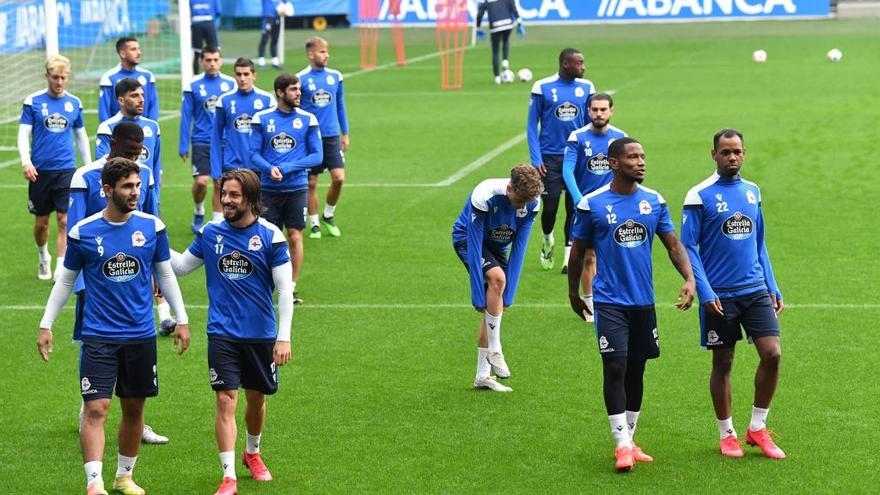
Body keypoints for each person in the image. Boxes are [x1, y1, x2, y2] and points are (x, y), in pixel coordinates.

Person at [37, 158, 190, 495]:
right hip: (99, 335)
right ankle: (94, 483)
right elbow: (65, 281)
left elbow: (164, 274)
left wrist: (182, 318)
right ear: (107, 190)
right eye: (127, 186)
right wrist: (46, 324)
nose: (135, 192)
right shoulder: (84, 232)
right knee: (96, 407)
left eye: (137, 185)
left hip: (140, 335)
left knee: (134, 407)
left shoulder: (153, 227)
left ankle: (124, 476)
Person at [567, 137, 695, 472]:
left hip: (643, 302)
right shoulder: (591, 204)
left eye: (642, 156)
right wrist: (573, 293)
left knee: (638, 368)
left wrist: (689, 277)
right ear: (613, 163)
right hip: (610, 301)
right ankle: (621, 444)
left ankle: (631, 437)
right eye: (632, 157)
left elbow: (672, 244)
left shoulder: (654, 201)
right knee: (615, 367)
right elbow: (579, 251)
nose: (641, 162)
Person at [169, 169, 294, 495]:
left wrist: (284, 337)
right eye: (224, 194)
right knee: (226, 400)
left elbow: (284, 290)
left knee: (256, 400)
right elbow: (182, 266)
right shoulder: (211, 232)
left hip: (261, 335)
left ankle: (252, 452)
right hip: (222, 333)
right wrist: (153, 241)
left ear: (250, 198)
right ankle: (228, 477)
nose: (226, 200)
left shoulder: (271, 236)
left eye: (233, 195)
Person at [681, 129, 785, 459]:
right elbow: (689, 246)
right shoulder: (699, 195)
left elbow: (759, 243)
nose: (732, 157)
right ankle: (727, 433)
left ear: (744, 153)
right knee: (723, 362)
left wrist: (772, 284)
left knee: (773, 354)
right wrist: (705, 289)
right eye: (725, 152)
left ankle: (757, 428)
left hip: (754, 289)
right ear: (713, 154)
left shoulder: (753, 192)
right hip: (720, 294)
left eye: (737, 151)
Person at [69, 122, 172, 445]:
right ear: (113, 143)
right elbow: (75, 231)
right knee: (95, 343)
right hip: (96, 279)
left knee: (135, 347)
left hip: (133, 276)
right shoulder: (85, 176)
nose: (136, 156)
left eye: (140, 151)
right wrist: (82, 284)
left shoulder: (143, 174)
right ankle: (89, 408)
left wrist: (155, 272)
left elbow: (152, 221)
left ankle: (137, 424)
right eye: (129, 150)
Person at [452, 165, 543, 392]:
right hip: (468, 241)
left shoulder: (532, 202)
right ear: (510, 188)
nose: (522, 207)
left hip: (496, 247)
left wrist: (509, 296)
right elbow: (473, 244)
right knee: (497, 279)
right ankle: (496, 348)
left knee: (495, 303)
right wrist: (476, 294)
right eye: (519, 200)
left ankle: (482, 376)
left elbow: (519, 248)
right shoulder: (485, 194)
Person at [249, 74, 323, 304]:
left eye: (299, 89)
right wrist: (269, 169)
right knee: (267, 239)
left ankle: (290, 288)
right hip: (268, 189)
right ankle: (265, 285)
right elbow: (253, 154)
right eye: (293, 89)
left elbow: (317, 155)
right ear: (280, 92)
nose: (299, 93)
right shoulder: (261, 118)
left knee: (294, 234)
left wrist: (288, 167)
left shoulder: (308, 119)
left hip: (297, 187)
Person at [18, 54, 91, 280]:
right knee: (41, 223)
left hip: (66, 169)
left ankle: (61, 266)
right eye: (55, 77)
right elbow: (23, 133)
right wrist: (26, 161)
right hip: (39, 171)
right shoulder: (33, 102)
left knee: (64, 220)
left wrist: (88, 166)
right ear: (47, 76)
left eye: (63, 78)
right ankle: (43, 256)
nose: (59, 82)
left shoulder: (74, 103)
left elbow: (81, 137)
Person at [527, 48, 594, 273]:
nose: (583, 67)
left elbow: (588, 124)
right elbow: (531, 125)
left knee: (575, 205)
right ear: (566, 64)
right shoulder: (542, 87)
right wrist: (536, 158)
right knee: (550, 207)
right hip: (550, 158)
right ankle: (547, 239)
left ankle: (568, 256)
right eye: (580, 63)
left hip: (575, 155)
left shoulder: (587, 88)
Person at [561, 92, 627, 321]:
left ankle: (613, 298)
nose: (599, 113)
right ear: (588, 111)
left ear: (611, 111)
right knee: (588, 256)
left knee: (615, 252)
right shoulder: (577, 137)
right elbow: (567, 169)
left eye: (603, 109)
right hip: (587, 208)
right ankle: (590, 305)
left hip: (613, 206)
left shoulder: (620, 138)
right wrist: (579, 199)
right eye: (595, 109)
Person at [296, 37, 349, 239]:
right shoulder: (300, 78)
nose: (326, 55)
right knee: (311, 183)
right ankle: (315, 223)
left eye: (327, 51)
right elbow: (296, 109)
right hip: (310, 139)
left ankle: (328, 214)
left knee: (339, 178)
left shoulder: (336, 76)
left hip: (331, 137)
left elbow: (340, 105)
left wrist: (345, 133)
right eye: (321, 52)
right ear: (311, 54)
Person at [179, 47, 237, 233]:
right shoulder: (193, 85)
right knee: (202, 182)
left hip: (225, 141)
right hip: (201, 140)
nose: (212, 63)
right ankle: (198, 209)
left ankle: (216, 222)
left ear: (220, 61)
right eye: (208, 60)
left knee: (220, 182)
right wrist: (183, 144)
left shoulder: (231, 84)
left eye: (215, 60)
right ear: (202, 62)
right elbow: (186, 116)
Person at [96, 78, 163, 200]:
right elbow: (103, 165)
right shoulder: (107, 127)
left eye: (142, 95)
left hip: (144, 194)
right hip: (119, 196)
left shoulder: (153, 127)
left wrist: (156, 196)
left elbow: (156, 165)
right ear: (121, 100)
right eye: (134, 96)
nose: (141, 100)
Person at [211, 57, 276, 179]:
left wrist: (272, 165)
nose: (242, 79)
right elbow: (216, 136)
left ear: (254, 75)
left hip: (259, 166)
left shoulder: (267, 100)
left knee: (257, 199)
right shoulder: (224, 101)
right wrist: (215, 170)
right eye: (239, 74)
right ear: (234, 76)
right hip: (232, 166)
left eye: (246, 74)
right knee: (232, 198)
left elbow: (272, 136)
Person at [98, 37, 159, 122]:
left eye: (139, 49)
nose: (139, 53)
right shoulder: (109, 78)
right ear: (123, 53)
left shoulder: (148, 76)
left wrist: (150, 127)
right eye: (133, 49)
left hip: (144, 130)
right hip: (119, 131)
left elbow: (153, 106)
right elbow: (104, 111)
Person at [475, 0, 523, 84]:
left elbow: (480, 13)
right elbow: (513, 8)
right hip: (508, 24)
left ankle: (497, 77)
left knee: (495, 51)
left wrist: (478, 27)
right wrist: (519, 23)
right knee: (505, 41)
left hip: (495, 26)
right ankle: (505, 61)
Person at [190, 0, 222, 75]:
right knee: (215, 51)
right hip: (209, 23)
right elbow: (218, 11)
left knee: (197, 53)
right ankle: (217, 76)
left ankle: (195, 75)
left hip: (196, 24)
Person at [257, 0, 284, 70]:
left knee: (275, 40)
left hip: (277, 17)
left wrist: (285, 9)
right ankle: (261, 62)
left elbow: (285, 3)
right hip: (268, 18)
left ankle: (275, 62)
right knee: (264, 39)